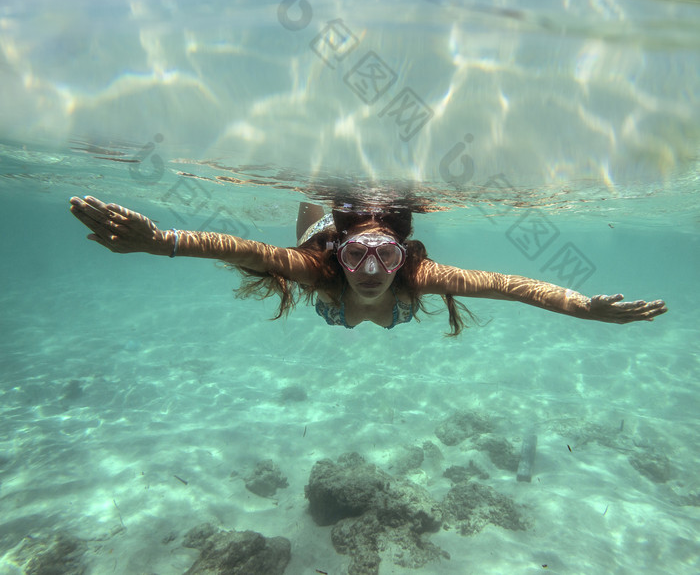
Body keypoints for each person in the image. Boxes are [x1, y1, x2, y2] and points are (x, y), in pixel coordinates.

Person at [68, 195, 667, 334]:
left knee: (381, 303)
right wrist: (162, 239)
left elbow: (515, 287)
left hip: (363, 282)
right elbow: (240, 250)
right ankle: (325, 221)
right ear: (341, 256)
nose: (372, 267)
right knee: (309, 228)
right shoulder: (322, 268)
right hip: (321, 244)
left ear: (404, 255)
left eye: (385, 252)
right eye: (358, 253)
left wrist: (584, 307)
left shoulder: (415, 277)